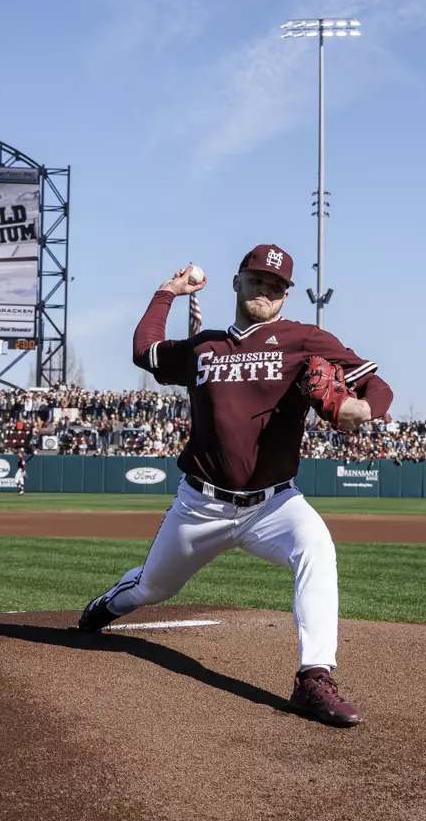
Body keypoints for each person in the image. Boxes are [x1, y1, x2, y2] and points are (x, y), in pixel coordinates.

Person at [78, 244, 392, 727]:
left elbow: (376, 383)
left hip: (273, 504)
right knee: (153, 587)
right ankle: (109, 604)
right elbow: (145, 351)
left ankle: (314, 676)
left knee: (317, 548)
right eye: (256, 280)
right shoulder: (204, 346)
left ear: (286, 295)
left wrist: (363, 408)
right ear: (237, 282)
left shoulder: (304, 340)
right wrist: (167, 293)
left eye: (276, 286)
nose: (265, 290)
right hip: (200, 504)